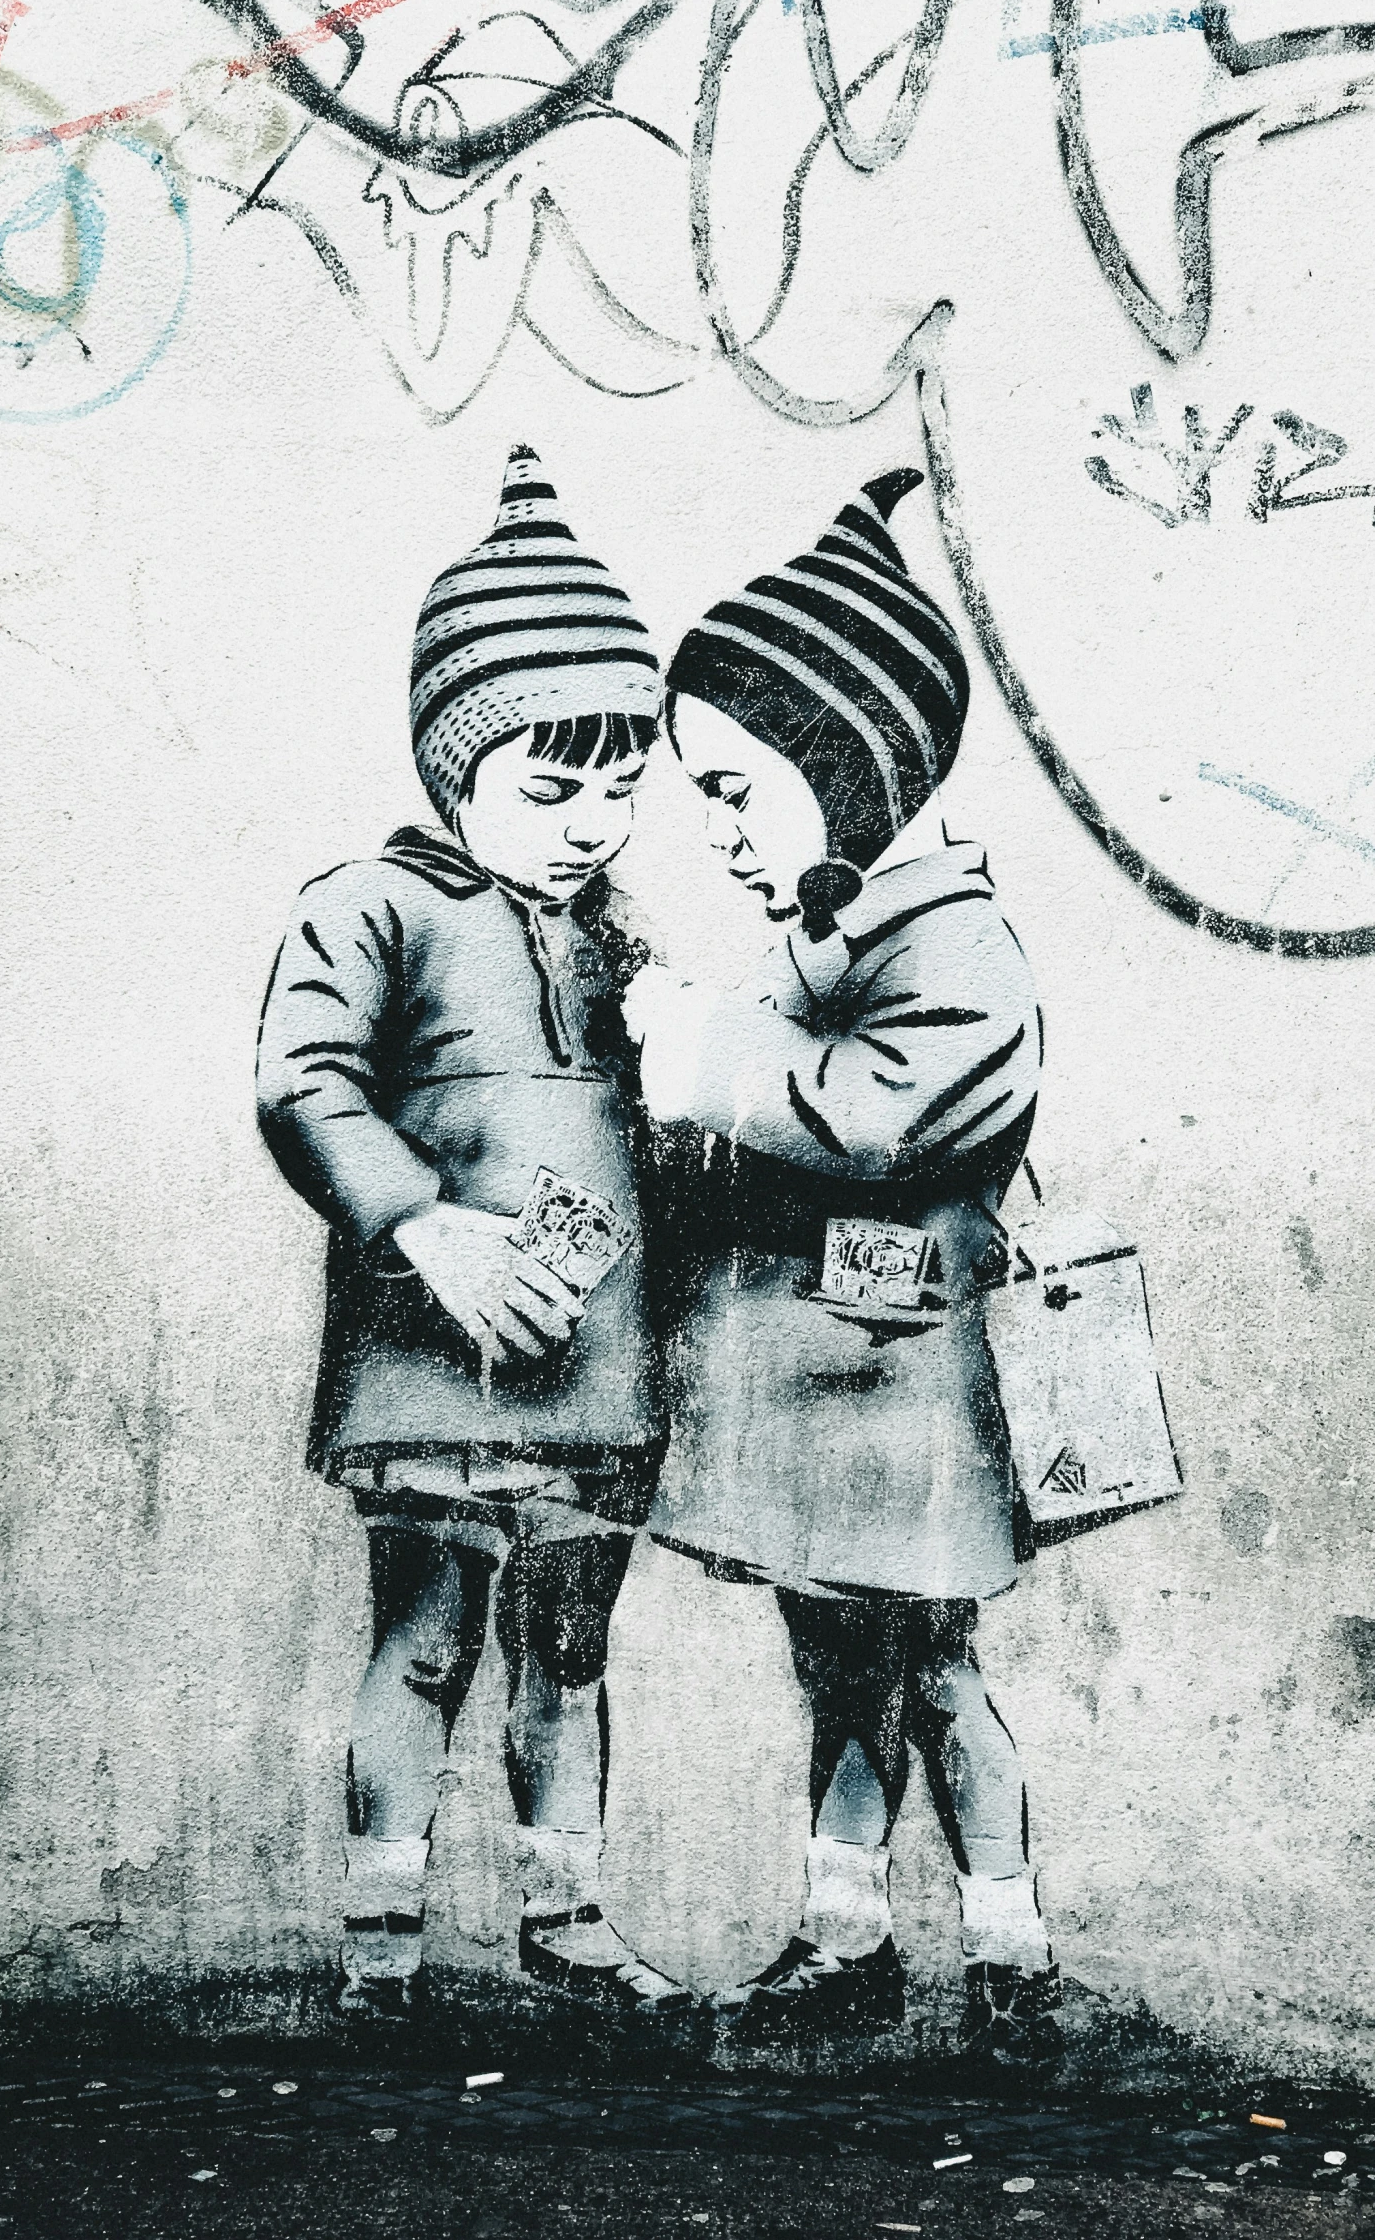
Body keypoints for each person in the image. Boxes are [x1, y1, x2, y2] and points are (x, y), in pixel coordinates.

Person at [624, 467, 1062, 2062]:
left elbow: (873, 1120)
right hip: (830, 1388)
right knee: (842, 1669)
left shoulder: (951, 945)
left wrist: (699, 1054)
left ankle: (1009, 1950)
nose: (720, 828)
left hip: (900, 1388)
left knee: (934, 1670)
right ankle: (845, 1933)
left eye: (738, 789)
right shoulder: (835, 935)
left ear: (845, 761)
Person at [257, 446, 684, 2018]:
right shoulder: (368, 901)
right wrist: (422, 1226)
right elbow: (300, 1082)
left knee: (568, 1649)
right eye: (551, 786)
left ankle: (565, 1921)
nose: (589, 823)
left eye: (621, 787)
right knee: (424, 1643)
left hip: (595, 1361)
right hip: (432, 1354)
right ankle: (383, 1945)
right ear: (455, 769)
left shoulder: (620, 934)